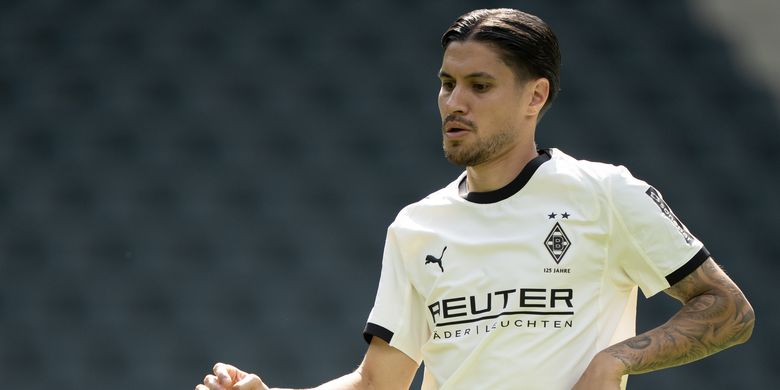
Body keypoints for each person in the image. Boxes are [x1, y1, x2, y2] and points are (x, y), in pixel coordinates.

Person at [196, 8, 754, 390]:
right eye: (446, 83)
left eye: (479, 86)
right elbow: (377, 382)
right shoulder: (417, 227)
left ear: (535, 96)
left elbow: (728, 310)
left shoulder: (606, 194)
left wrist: (616, 359)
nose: (453, 102)